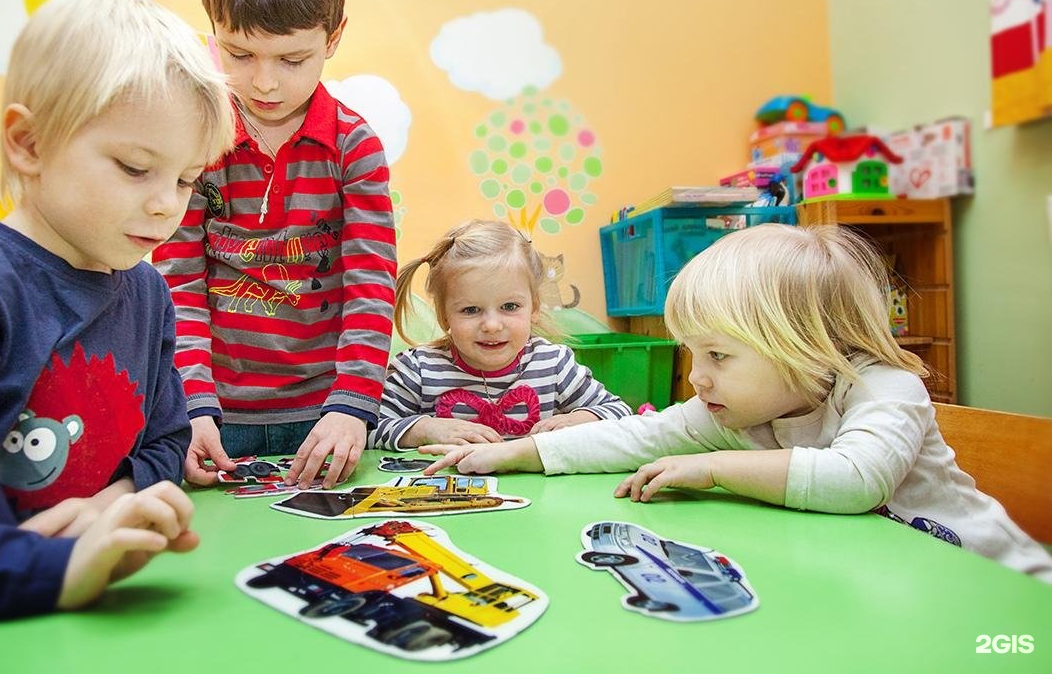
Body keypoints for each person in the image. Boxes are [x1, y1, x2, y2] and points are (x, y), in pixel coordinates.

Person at [0, 0, 235, 670]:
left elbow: (168, 437)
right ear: (28, 143)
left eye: (187, 180)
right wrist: (52, 566)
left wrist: (111, 503)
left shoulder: (146, 290)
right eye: (136, 168)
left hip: (84, 642)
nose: (164, 204)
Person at [422, 223, 1052, 583]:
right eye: (694, 354)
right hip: (899, 583)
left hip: (1004, 592)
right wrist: (515, 453)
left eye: (718, 356)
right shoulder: (734, 407)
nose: (696, 378)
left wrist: (716, 468)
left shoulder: (884, 389)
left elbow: (857, 479)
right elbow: (629, 439)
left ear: (804, 347)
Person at [155, 0, 396, 490]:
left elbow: (369, 286)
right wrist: (192, 403)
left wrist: (352, 406)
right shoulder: (195, 144)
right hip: (215, 415)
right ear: (212, 28)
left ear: (333, 39)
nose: (263, 83)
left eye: (292, 60)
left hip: (326, 419)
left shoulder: (354, 148)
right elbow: (178, 280)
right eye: (238, 53)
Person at [368, 220, 630, 451]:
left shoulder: (554, 364)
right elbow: (367, 429)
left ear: (534, 307)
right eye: (471, 310)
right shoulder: (418, 370)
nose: (492, 325)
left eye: (510, 307)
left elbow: (621, 412)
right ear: (444, 316)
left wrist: (579, 419)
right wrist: (425, 430)